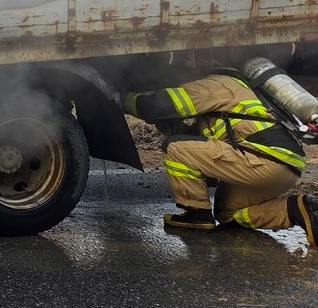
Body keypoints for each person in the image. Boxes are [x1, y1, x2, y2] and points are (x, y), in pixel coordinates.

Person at [123, 71, 317, 243]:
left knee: (174, 148)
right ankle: (299, 209)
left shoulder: (216, 84)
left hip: (264, 159)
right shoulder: (238, 91)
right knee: (228, 213)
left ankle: (196, 214)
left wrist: (121, 99)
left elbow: (157, 105)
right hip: (285, 166)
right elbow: (197, 144)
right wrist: (165, 123)